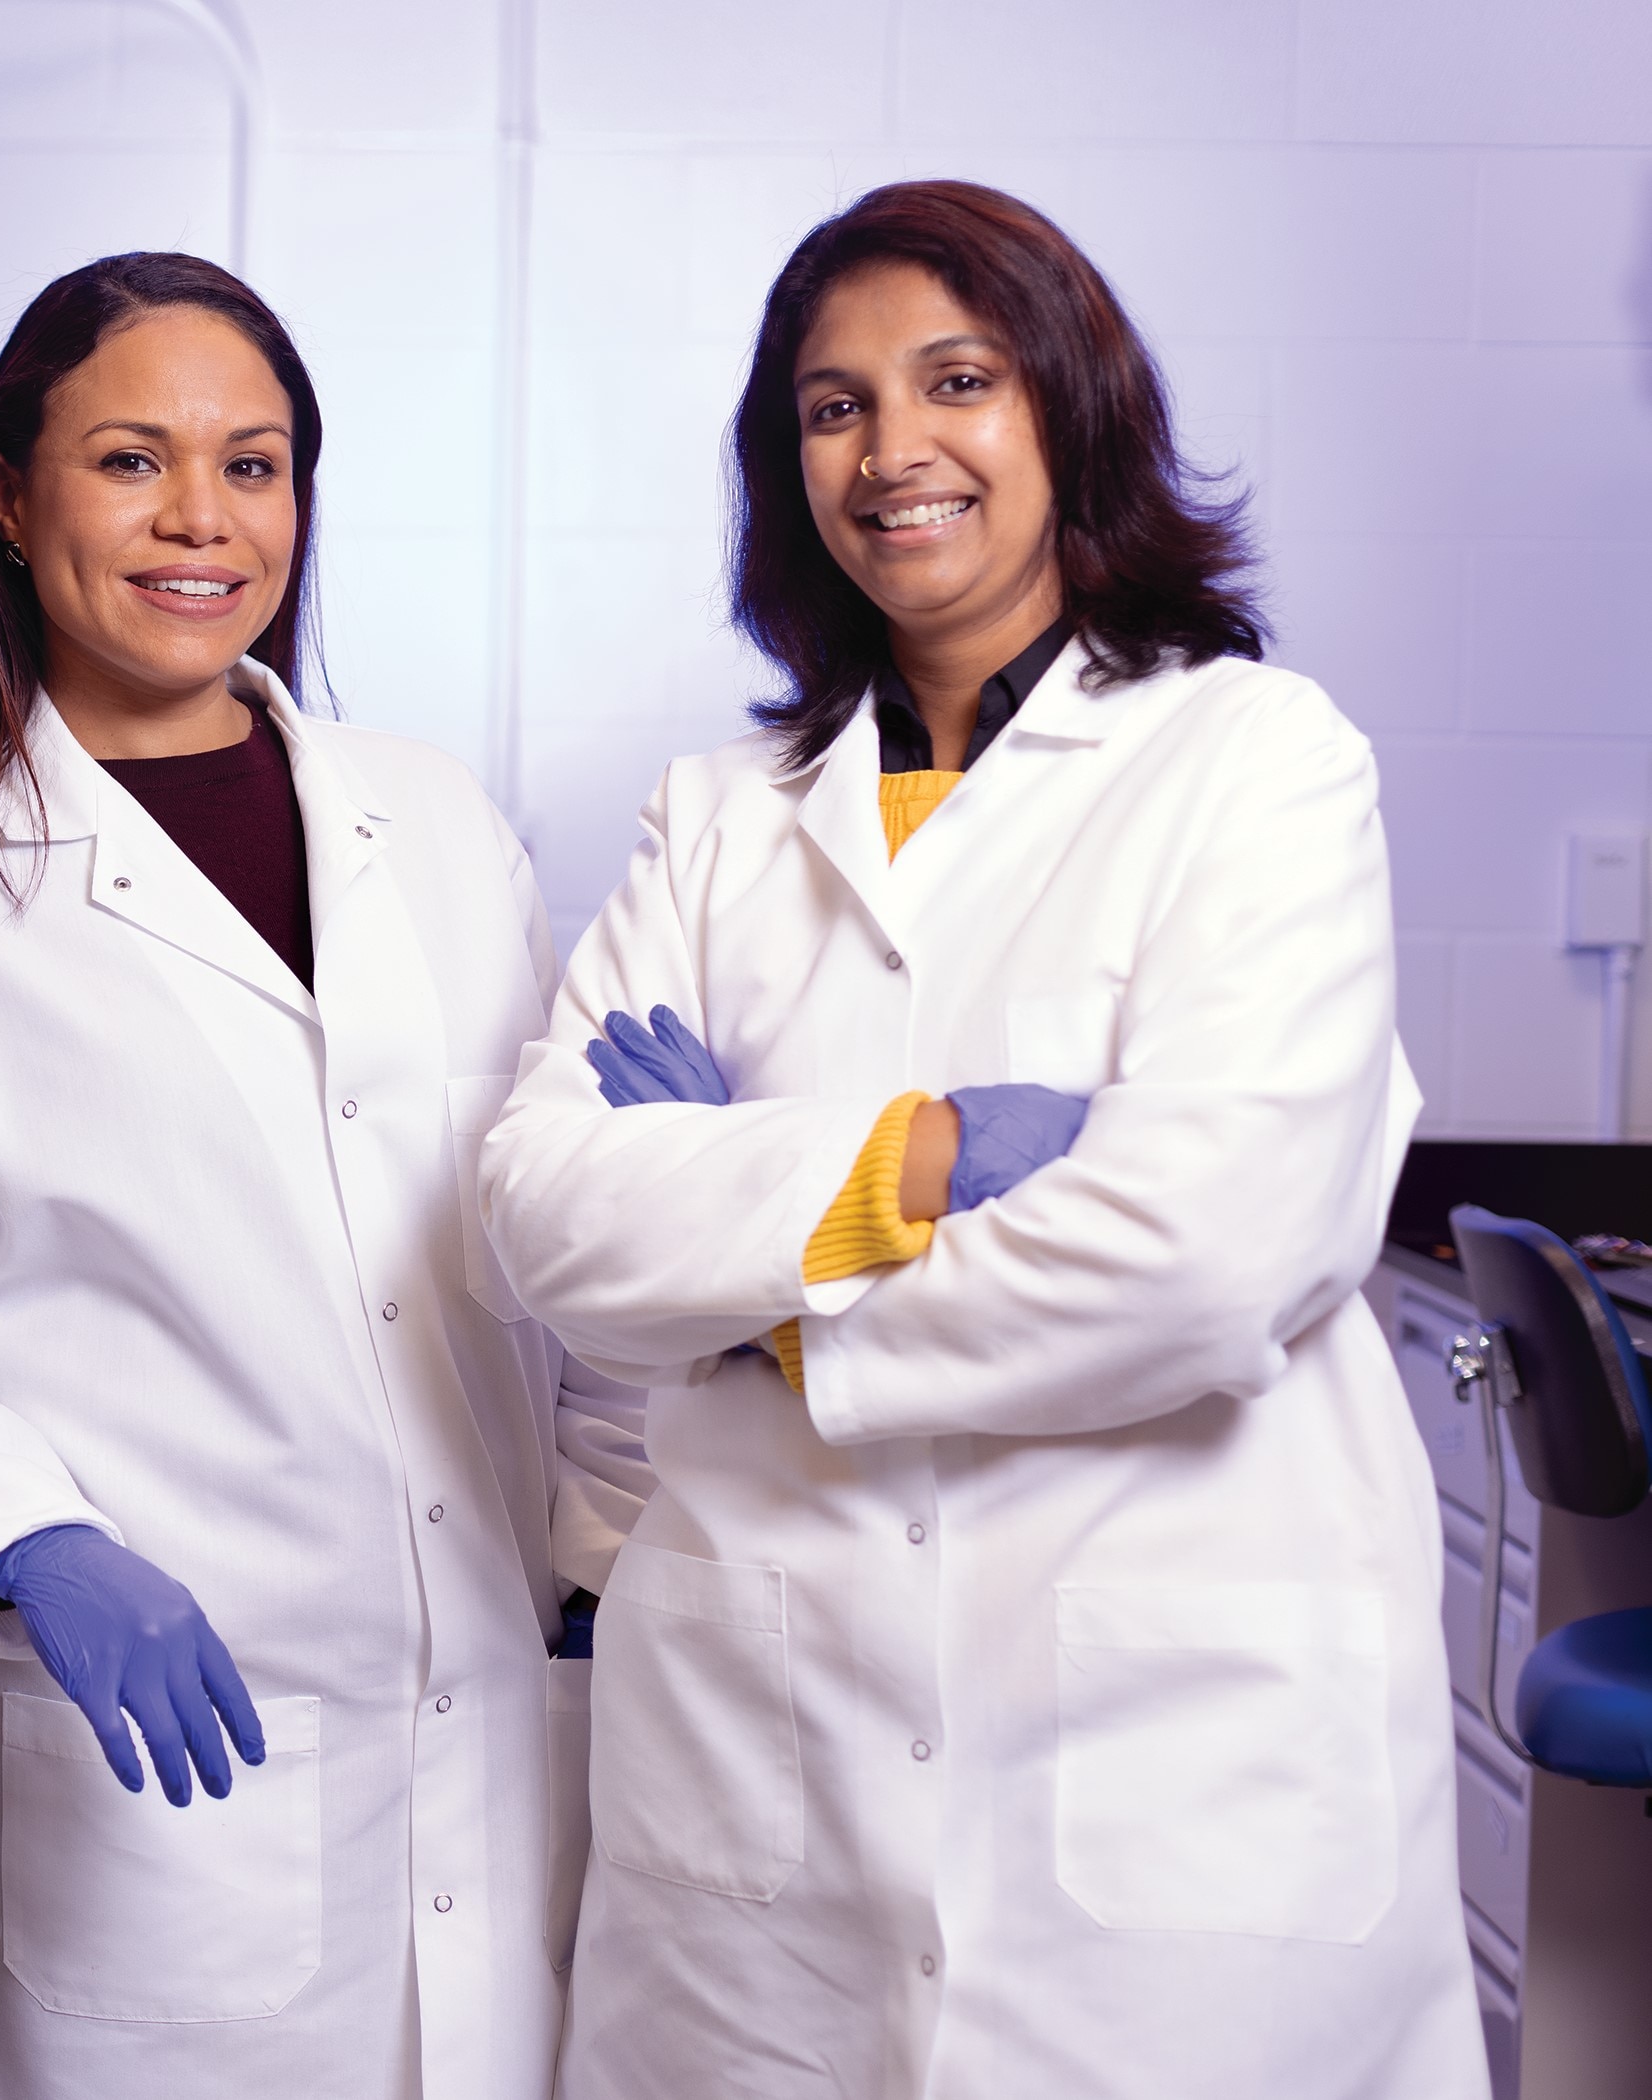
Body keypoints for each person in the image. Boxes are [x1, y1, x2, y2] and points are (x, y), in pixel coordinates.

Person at [480, 181, 1488, 2098]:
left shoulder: (1255, 765)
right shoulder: (718, 818)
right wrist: (920, 1165)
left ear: (1071, 412)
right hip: (763, 1794)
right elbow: (548, 1215)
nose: (894, 449)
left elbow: (1207, 1261)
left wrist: (758, 1293)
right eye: (834, 406)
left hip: (1174, 1775)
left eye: (960, 380)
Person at [0, 251, 649, 2100]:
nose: (202, 520)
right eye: (131, 461)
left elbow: (546, 1249)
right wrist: (38, 1544)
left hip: (495, 1759)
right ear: (7, 493)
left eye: (256, 464)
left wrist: (616, 1546)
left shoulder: (438, 827)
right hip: (161, 1789)